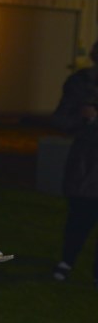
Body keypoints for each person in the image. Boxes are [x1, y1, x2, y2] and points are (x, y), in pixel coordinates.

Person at [51, 39, 98, 288]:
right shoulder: (81, 83)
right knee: (79, 218)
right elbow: (61, 119)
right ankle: (67, 261)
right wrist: (85, 118)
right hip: (86, 168)